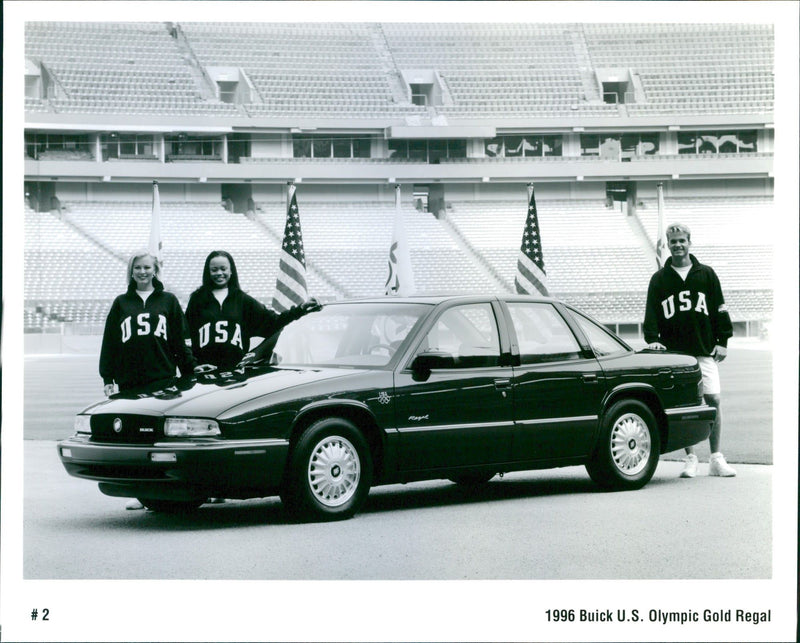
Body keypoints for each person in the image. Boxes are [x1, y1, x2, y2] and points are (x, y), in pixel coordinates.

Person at [99, 250, 198, 510]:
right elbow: (109, 342)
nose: (142, 272)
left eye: (147, 267)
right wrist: (107, 376)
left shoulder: (169, 301)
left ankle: (165, 489)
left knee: (160, 438)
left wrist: (191, 372)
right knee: (133, 439)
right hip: (129, 381)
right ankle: (139, 492)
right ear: (131, 271)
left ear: (155, 270)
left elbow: (180, 341)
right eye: (138, 268)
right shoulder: (121, 302)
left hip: (163, 380)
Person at [643, 223, 736, 478]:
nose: (678, 245)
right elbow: (651, 314)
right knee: (685, 405)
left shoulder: (706, 274)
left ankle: (716, 458)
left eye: (682, 240)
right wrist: (652, 339)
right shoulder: (660, 279)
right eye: (673, 241)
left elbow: (720, 308)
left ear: (689, 242)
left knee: (713, 400)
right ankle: (691, 458)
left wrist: (723, 341)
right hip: (677, 355)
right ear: (668, 245)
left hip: (704, 350)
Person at [185, 250, 322, 373]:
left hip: (236, 372)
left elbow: (274, 321)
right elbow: (183, 337)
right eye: (214, 270)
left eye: (223, 269)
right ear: (208, 272)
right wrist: (193, 365)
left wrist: (301, 309)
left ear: (231, 271)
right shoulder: (197, 300)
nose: (219, 273)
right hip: (204, 372)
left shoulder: (243, 300)